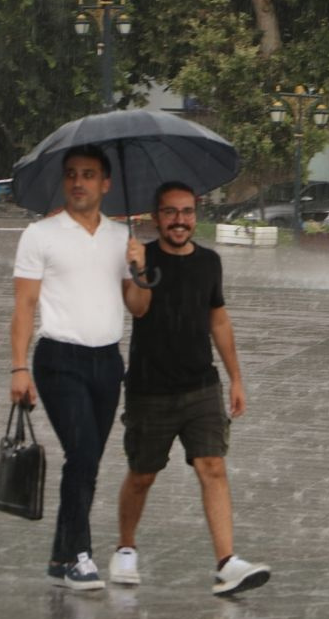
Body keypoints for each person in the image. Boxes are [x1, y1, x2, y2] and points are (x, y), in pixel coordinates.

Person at [111, 180, 270, 597]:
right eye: (170, 212)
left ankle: (227, 562)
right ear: (155, 217)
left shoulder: (209, 262)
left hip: (202, 385)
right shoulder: (139, 257)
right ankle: (125, 548)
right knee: (143, 475)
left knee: (212, 466)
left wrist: (236, 377)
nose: (179, 221)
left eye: (186, 212)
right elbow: (138, 309)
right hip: (151, 388)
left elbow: (218, 319)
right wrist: (138, 269)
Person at [10, 143, 145, 591]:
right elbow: (24, 305)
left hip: (108, 361)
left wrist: (139, 269)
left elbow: (138, 307)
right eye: (71, 174)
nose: (78, 182)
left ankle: (59, 554)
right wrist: (18, 368)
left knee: (86, 460)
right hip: (58, 358)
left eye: (89, 174)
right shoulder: (40, 235)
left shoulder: (120, 237)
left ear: (106, 184)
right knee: (82, 453)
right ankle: (79, 556)